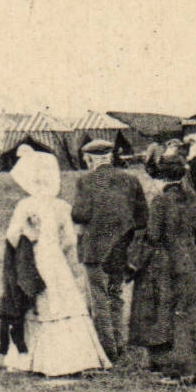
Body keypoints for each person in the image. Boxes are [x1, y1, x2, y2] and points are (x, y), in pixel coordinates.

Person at [0, 150, 111, 377]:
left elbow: (11, 236)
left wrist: (28, 236)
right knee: (63, 303)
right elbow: (70, 240)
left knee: (35, 303)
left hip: (32, 259)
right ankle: (74, 358)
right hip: (56, 261)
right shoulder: (61, 206)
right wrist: (62, 255)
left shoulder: (25, 205)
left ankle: (29, 359)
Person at [127, 155, 196, 385]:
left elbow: (153, 236)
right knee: (195, 313)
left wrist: (134, 263)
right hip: (192, 260)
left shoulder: (160, 201)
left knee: (168, 314)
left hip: (166, 262)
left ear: (160, 176)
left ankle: (177, 369)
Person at [71, 140, 148, 362]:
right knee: (115, 295)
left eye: (86, 159)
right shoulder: (131, 180)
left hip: (95, 251)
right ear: (111, 156)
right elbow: (143, 217)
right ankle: (119, 344)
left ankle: (107, 350)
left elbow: (80, 214)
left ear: (92, 159)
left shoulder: (85, 181)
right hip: (122, 251)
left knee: (99, 298)